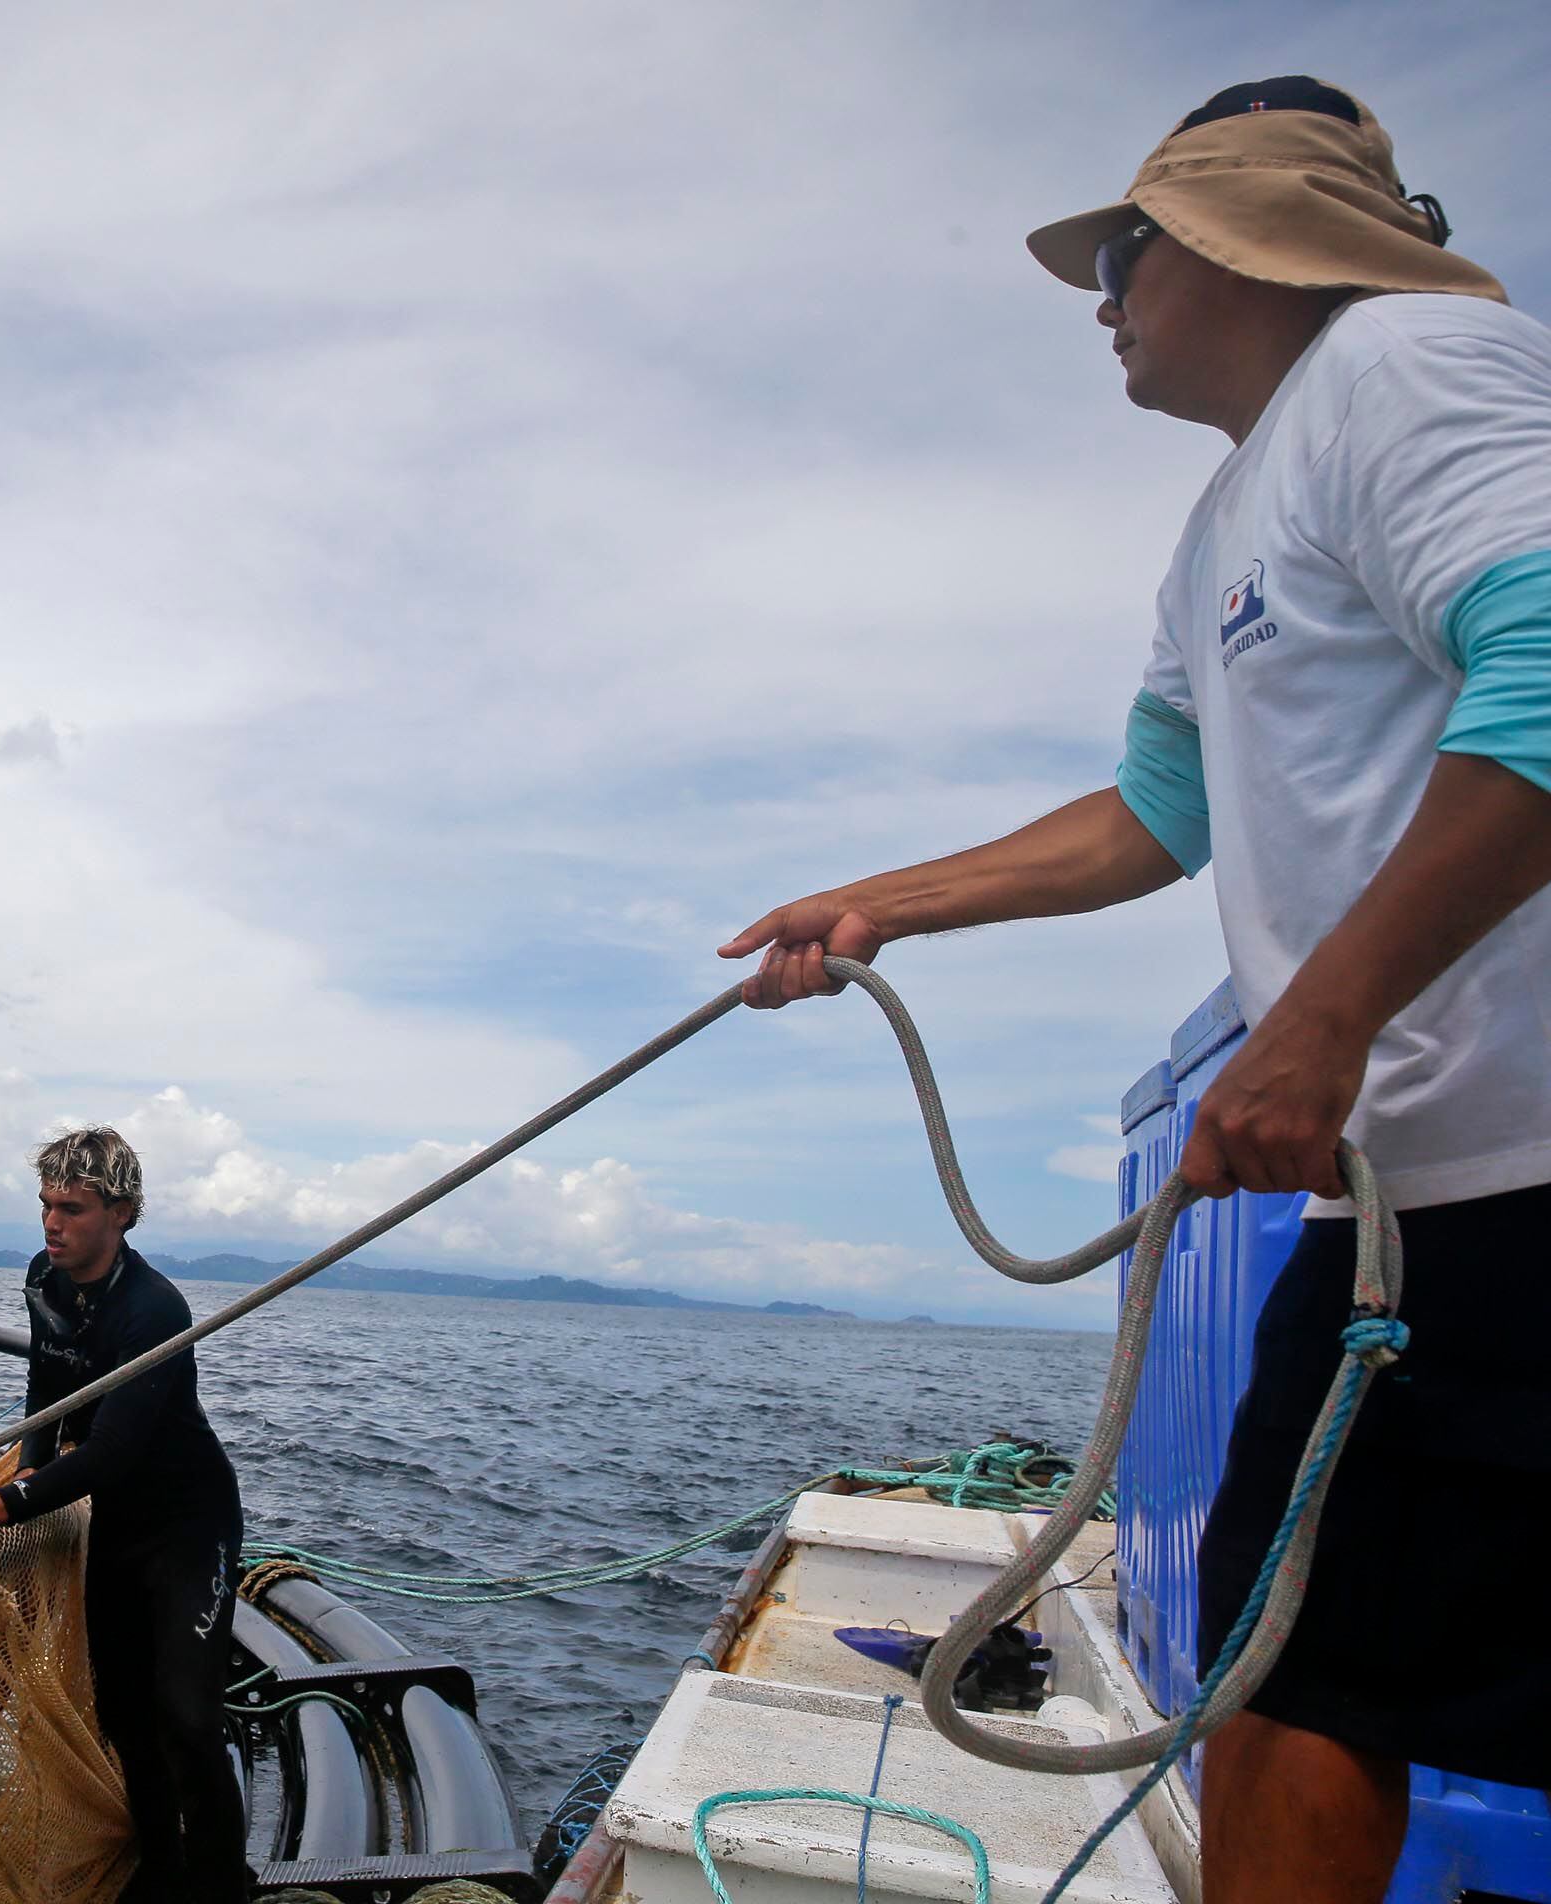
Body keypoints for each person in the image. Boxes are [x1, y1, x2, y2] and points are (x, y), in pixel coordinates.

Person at [721, 78, 1551, 1904]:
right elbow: (1154, 814)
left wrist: (1320, 1021)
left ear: (1249, 242)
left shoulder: (1408, 369)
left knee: (1299, 1675)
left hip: (1509, 1180)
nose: (1100, 301)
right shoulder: (1219, 525)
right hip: (1410, 1204)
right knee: (1291, 1668)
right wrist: (880, 905)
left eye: (1123, 256)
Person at [0, 1127, 250, 1903]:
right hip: (121, 1527)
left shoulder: (154, 1309)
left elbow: (109, 1455)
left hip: (189, 1526)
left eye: (71, 1209)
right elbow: (48, 1393)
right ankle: (160, 1872)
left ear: (122, 1213)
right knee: (123, 1715)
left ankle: (223, 1889)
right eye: (45, 1205)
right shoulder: (45, 1277)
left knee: (187, 1718)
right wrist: (27, 1476)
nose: (51, 1223)